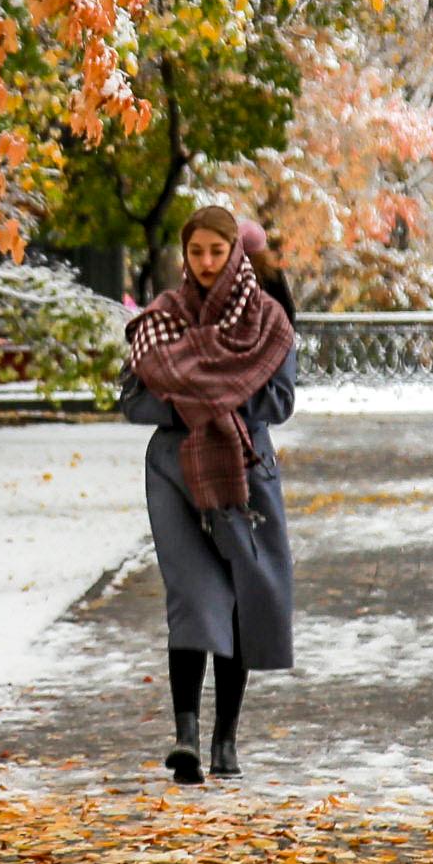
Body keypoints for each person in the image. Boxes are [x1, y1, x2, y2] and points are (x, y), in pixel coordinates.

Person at [119, 206, 298, 784]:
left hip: (244, 469)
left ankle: (226, 740)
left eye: (216, 251)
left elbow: (280, 401)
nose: (205, 262)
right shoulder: (161, 319)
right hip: (174, 469)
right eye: (195, 251)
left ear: (234, 253)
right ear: (185, 254)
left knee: (242, 595)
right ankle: (186, 737)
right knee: (193, 596)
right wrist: (192, 407)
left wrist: (216, 396)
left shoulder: (267, 321)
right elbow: (133, 400)